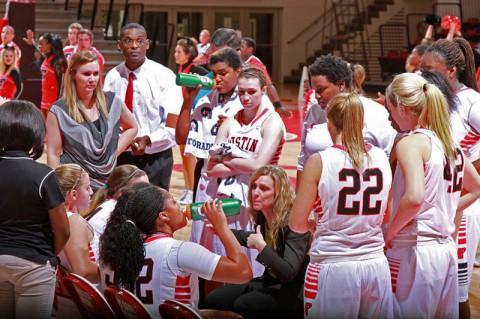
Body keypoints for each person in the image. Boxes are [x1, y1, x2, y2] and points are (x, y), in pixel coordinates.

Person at [383, 73, 480, 318]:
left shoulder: (410, 143)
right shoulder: (449, 143)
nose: (389, 116)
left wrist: (389, 232)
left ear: (403, 108)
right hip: (445, 250)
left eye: (390, 108)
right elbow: (477, 187)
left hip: (413, 252)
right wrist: (449, 208)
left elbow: (415, 197)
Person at [289, 93, 394, 318]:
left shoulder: (319, 161)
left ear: (329, 122)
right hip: (375, 265)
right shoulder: (382, 158)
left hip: (333, 265)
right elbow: (386, 216)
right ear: (361, 122)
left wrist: (315, 223)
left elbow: (296, 224)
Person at [98, 183, 253, 317]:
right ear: (164, 216)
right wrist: (222, 228)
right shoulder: (179, 251)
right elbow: (243, 273)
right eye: (174, 202)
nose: (179, 204)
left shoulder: (132, 248)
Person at [206, 65, 286, 277]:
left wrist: (229, 158)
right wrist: (246, 161)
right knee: (228, 248)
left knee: (258, 249)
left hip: (261, 195)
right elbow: (211, 168)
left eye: (252, 91)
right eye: (241, 92)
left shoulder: (272, 121)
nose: (246, 97)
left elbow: (260, 167)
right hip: (229, 194)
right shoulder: (231, 121)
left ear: (264, 91)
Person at [420, 37, 480, 318]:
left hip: (462, 209)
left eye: (429, 70)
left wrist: (473, 170)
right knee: (438, 292)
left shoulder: (470, 101)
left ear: (452, 71)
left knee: (456, 293)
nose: (423, 76)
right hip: (439, 210)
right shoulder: (437, 99)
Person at [204, 166, 310, 319]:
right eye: (254, 186)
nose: (255, 193)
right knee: (214, 299)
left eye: (264, 188)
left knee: (244, 304)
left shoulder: (294, 223)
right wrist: (221, 230)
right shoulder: (263, 216)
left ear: (279, 193)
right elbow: (252, 237)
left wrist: (261, 246)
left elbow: (288, 273)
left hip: (293, 291)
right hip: (269, 281)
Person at [0, 100, 70, 319]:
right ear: (36, 134)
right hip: (33, 264)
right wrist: (47, 255)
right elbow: (63, 230)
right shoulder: (44, 175)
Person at [103, 23, 183, 190]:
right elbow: (107, 118)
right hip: (122, 157)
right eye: (128, 41)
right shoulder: (112, 77)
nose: (134, 46)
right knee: (121, 207)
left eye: (139, 41)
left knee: (153, 210)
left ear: (146, 44)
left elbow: (172, 124)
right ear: (119, 45)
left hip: (156, 158)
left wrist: (148, 140)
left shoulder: (165, 76)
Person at [297, 54, 397, 187]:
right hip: (316, 199)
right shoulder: (314, 112)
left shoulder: (375, 113)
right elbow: (303, 160)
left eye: (321, 90)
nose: (316, 96)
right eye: (314, 90)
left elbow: (390, 162)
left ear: (341, 84)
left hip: (357, 200)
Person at [46, 50, 138, 190]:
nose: (92, 79)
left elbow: (132, 127)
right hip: (76, 184)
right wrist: (54, 189)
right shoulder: (59, 111)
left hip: (108, 180)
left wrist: (113, 152)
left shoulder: (112, 101)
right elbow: (53, 154)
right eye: (86, 74)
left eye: (96, 73)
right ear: (73, 75)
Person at [54, 164, 98, 318]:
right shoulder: (73, 221)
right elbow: (82, 270)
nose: (92, 192)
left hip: (65, 300)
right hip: (82, 305)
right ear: (73, 194)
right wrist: (112, 273)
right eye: (87, 188)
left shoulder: (52, 216)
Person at [174, 36, 208, 205]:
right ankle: (188, 189)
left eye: (179, 51)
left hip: (194, 116)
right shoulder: (181, 68)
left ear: (188, 54)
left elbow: (207, 89)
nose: (175, 54)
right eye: (175, 51)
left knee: (190, 155)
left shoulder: (197, 69)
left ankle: (193, 189)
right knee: (183, 154)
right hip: (183, 112)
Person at [84, 164, 149, 244]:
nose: (148, 193)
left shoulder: (116, 206)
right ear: (122, 191)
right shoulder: (111, 211)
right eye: (142, 188)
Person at [239, 37, 292, 118]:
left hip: (259, 99)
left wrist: (278, 106)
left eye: (242, 47)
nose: (239, 49)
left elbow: (269, 84)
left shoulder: (255, 62)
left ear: (250, 49)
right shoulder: (242, 60)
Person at [24, 31, 67, 120]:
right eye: (38, 43)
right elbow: (39, 50)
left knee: (52, 127)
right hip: (45, 98)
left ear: (49, 46)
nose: (39, 46)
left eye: (41, 44)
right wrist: (32, 42)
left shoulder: (57, 62)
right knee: (44, 127)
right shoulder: (47, 58)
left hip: (53, 101)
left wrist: (58, 104)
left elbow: (61, 84)